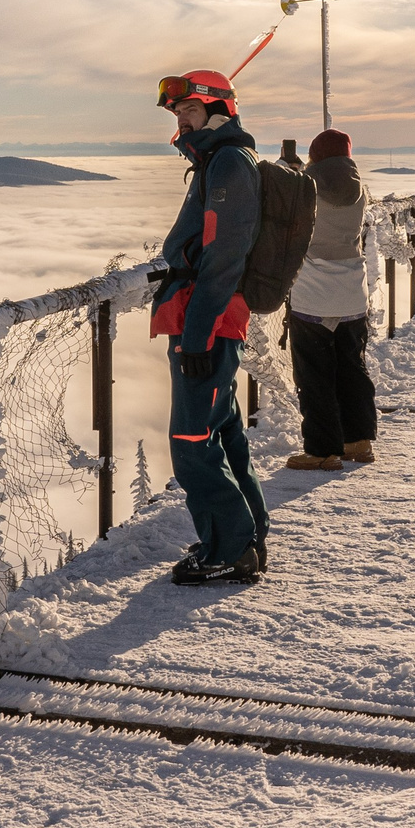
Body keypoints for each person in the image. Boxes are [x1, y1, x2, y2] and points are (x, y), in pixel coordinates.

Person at [150, 68, 270, 585]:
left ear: (220, 110)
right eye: (178, 112)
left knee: (191, 440)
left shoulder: (226, 164)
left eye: (191, 110)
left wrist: (197, 336)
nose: (181, 119)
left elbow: (223, 256)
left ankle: (229, 552)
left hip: (208, 320)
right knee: (220, 432)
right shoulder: (215, 160)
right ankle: (245, 538)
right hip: (206, 316)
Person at [284, 129, 378, 470]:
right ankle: (358, 442)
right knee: (352, 368)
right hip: (352, 294)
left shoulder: (304, 185)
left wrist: (290, 173)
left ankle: (322, 451)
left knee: (315, 375)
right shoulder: (360, 189)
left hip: (313, 295)